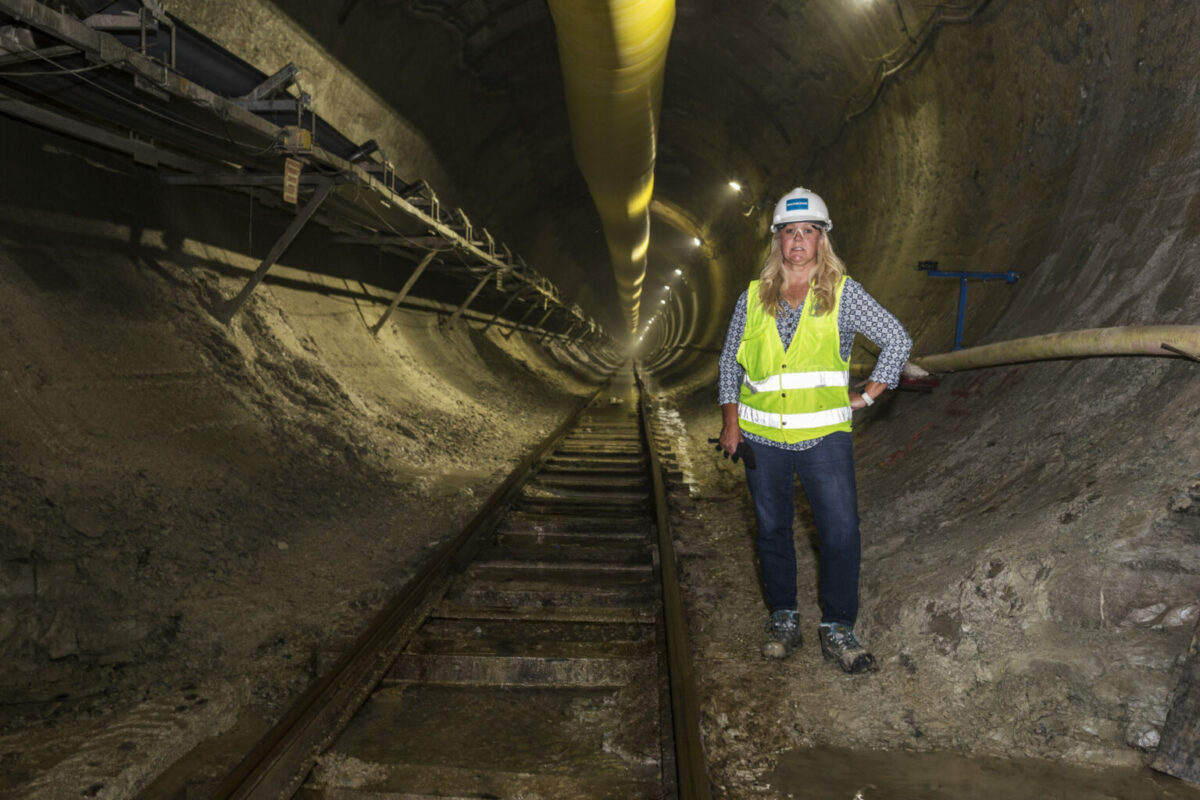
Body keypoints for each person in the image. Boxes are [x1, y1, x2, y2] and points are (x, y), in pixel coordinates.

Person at [718, 187, 912, 673]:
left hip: (824, 436)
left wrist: (867, 395)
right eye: (789, 232)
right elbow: (729, 362)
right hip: (762, 438)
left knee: (841, 531)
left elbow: (898, 340)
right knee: (772, 530)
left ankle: (837, 626)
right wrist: (731, 422)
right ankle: (784, 618)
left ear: (822, 240)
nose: (798, 240)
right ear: (777, 242)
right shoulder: (752, 296)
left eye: (808, 231)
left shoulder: (844, 294)